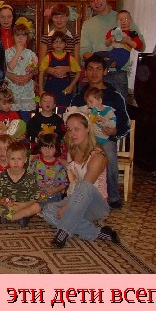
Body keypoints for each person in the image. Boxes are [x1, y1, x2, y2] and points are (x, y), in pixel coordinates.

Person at [41, 112, 120, 248]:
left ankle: (63, 232)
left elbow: (86, 186)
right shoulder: (73, 150)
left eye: (77, 129)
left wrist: (67, 207)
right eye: (70, 130)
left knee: (84, 186)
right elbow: (73, 177)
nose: (72, 134)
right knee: (48, 210)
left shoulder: (97, 156)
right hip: (75, 199)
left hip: (95, 205)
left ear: (87, 129)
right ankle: (99, 233)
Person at [69, 55, 130, 210]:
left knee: (109, 152)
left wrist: (115, 131)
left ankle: (113, 196)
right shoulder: (79, 97)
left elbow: (125, 123)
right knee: (71, 151)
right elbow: (70, 119)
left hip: (105, 138)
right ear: (85, 72)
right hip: (83, 140)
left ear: (105, 71)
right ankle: (73, 192)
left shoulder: (114, 96)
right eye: (90, 69)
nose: (94, 73)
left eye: (98, 69)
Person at [80, 0, 145, 99]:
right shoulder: (88, 24)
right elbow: (83, 52)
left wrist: (128, 41)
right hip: (97, 75)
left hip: (118, 74)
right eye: (92, 1)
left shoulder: (122, 18)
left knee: (118, 108)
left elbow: (141, 46)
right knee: (95, 108)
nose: (96, 2)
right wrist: (101, 62)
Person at [0, 141, 40, 226]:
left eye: (19, 159)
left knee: (37, 207)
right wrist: (2, 201)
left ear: (25, 160)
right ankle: (17, 218)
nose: (16, 162)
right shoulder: (2, 176)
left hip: (22, 207)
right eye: (12, 159)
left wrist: (22, 205)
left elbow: (35, 198)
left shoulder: (30, 177)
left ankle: (8, 218)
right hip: (6, 207)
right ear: (7, 159)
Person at [38, 31, 81, 112]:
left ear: (66, 44)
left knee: (64, 109)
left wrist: (71, 86)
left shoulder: (70, 57)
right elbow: (41, 72)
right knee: (49, 108)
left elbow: (78, 72)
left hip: (64, 88)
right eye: (56, 42)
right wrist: (41, 89)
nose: (58, 44)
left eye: (61, 42)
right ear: (52, 44)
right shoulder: (48, 57)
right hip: (50, 87)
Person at [4, 23, 38, 122]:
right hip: (12, 90)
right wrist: (18, 51)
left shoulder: (30, 53)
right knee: (12, 118)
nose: (20, 38)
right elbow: (11, 66)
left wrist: (32, 70)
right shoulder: (8, 52)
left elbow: (36, 71)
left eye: (23, 35)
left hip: (25, 91)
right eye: (17, 35)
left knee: (25, 119)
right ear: (13, 37)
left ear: (27, 38)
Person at [29, 132, 68, 206]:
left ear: (56, 149)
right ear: (40, 149)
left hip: (52, 196)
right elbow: (28, 177)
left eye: (51, 148)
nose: (47, 151)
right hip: (35, 195)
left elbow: (63, 183)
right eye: (44, 148)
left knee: (50, 205)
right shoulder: (35, 162)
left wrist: (55, 190)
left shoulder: (59, 166)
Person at [38, 3, 80, 70]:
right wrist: (52, 71)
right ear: (52, 18)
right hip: (50, 76)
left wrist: (66, 69)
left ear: (67, 18)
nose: (59, 20)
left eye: (62, 17)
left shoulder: (75, 38)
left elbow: (77, 65)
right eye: (56, 17)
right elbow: (41, 64)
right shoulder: (45, 38)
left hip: (70, 76)